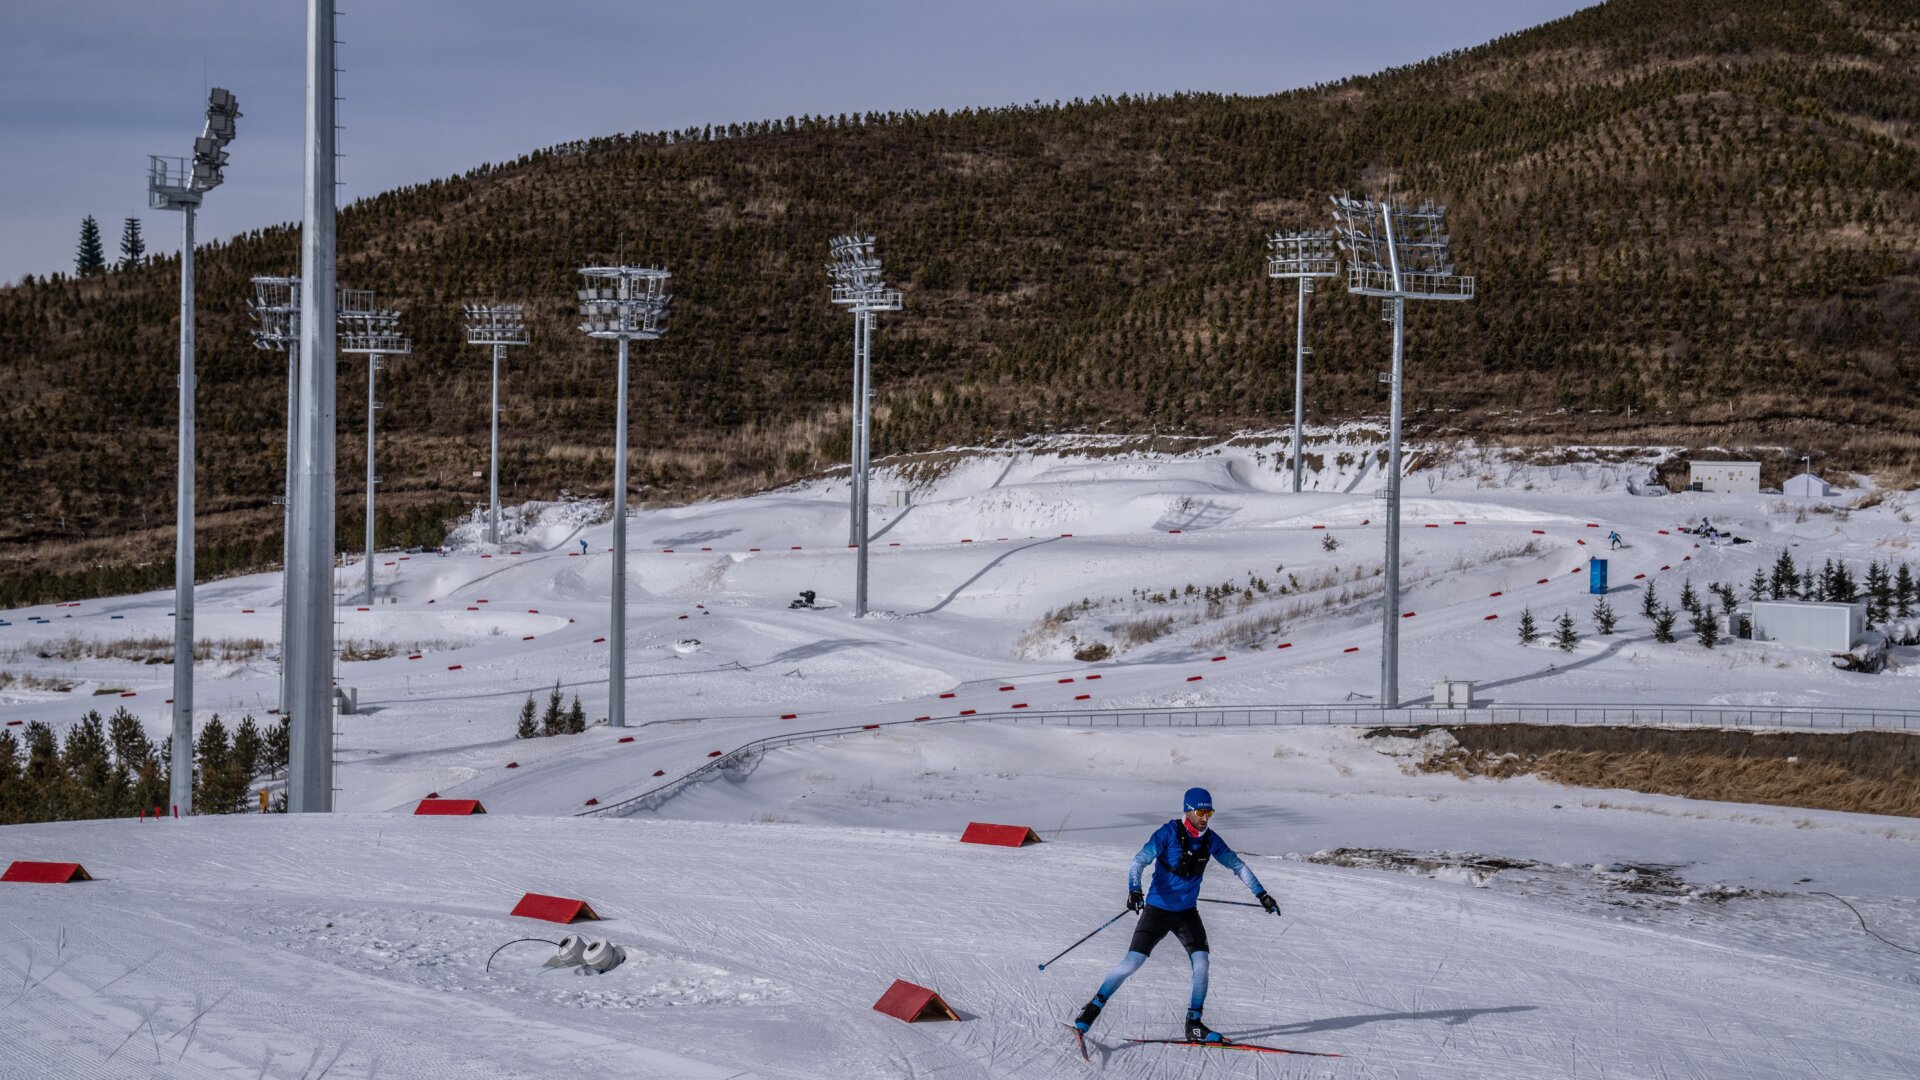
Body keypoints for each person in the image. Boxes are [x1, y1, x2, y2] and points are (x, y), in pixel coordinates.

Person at [1072, 787, 1279, 1045]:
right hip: (1157, 910)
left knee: (1202, 963)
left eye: (1210, 813)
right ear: (1188, 811)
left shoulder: (1210, 839)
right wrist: (1134, 890)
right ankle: (1091, 1010)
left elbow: (1237, 865)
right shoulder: (1167, 833)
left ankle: (1194, 1024)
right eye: (1201, 812)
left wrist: (1262, 894)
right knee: (1132, 962)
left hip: (1186, 913)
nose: (1205, 818)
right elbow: (1138, 862)